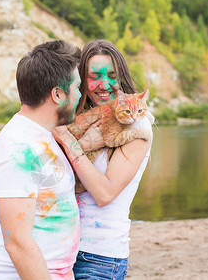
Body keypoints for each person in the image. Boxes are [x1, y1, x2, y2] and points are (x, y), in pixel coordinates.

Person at [53, 39, 153, 280]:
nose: (103, 84)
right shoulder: (75, 119)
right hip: (57, 251)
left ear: (122, 79)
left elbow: (105, 194)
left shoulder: (137, 126)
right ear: (80, 80)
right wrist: (85, 143)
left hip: (98, 257)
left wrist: (71, 142)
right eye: (94, 76)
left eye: (111, 75)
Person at [0, 40, 83, 280]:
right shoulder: (17, 149)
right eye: (77, 87)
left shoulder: (40, 136)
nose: (81, 94)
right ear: (57, 94)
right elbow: (17, 242)